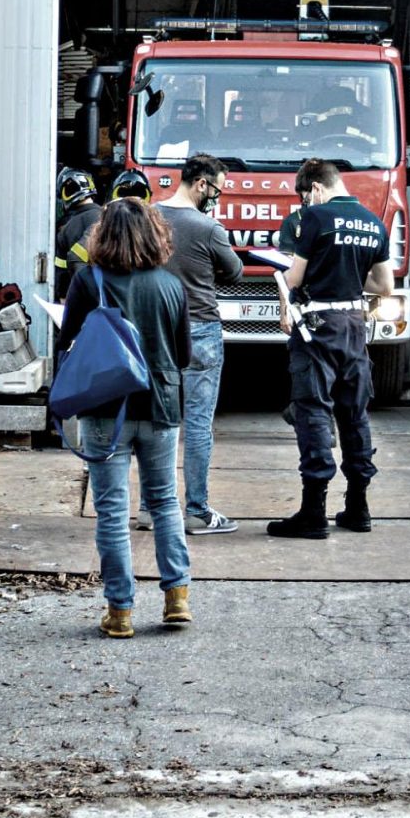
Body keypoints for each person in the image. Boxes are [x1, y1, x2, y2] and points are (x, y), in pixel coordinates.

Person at [53, 199, 194, 638]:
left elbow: (68, 339)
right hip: (161, 405)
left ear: (103, 235)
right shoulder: (171, 285)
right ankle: (176, 599)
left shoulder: (87, 280)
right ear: (156, 235)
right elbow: (184, 354)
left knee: (112, 511)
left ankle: (120, 612)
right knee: (166, 501)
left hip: (105, 408)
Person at [268, 159, 392, 540]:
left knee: (314, 411)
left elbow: (296, 278)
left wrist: (281, 272)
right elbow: (384, 285)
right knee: (355, 413)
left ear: (315, 189)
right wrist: (350, 271)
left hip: (318, 327)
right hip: (355, 325)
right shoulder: (373, 223)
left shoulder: (316, 219)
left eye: (306, 196)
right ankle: (358, 507)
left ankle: (313, 512)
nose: (306, 202)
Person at [159, 153, 245, 535]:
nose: (218, 196)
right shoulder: (208, 227)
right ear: (201, 185)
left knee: (158, 422)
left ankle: (151, 509)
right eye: (218, 189)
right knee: (197, 423)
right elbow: (236, 272)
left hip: (156, 330)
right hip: (200, 330)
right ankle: (197, 511)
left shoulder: (149, 218)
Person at [53, 168, 100, 301]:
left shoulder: (65, 228)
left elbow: (61, 273)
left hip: (76, 299)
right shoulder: (108, 217)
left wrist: (63, 299)